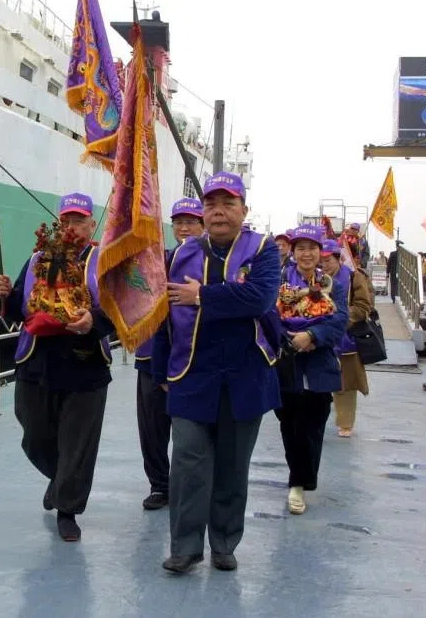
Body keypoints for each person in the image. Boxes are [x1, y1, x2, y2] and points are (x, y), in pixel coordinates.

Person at [152, 171, 281, 573]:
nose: (218, 212)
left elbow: (259, 298)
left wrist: (202, 296)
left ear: (244, 210)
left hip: (245, 375)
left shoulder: (264, 250)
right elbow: (163, 317)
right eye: (211, 204)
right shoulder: (179, 256)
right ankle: (185, 547)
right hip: (191, 374)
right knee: (188, 462)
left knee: (231, 465)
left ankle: (224, 541)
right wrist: (160, 371)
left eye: (228, 204)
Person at [0, 193, 114, 542]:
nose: (71, 227)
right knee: (33, 434)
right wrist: (3, 295)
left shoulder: (103, 262)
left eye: (79, 221)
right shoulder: (35, 261)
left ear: (92, 225)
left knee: (78, 443)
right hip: (37, 361)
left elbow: (121, 310)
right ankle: (61, 479)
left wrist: (94, 321)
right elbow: (17, 307)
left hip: (86, 363)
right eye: (66, 221)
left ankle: (67, 509)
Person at [133, 197, 204, 511]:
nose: (184, 227)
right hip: (151, 355)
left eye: (191, 221)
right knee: (152, 427)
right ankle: (160, 484)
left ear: (203, 226)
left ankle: (190, 485)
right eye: (179, 222)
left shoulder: (212, 263)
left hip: (192, 358)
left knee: (192, 430)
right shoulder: (157, 259)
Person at [274, 225, 348, 515]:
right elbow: (269, 316)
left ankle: (299, 482)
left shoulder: (334, 286)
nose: (307, 253)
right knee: (290, 425)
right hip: (287, 363)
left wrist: (312, 336)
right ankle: (299, 480)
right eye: (300, 248)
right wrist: (289, 339)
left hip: (319, 366)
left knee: (314, 424)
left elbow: (339, 321)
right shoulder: (279, 283)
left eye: (312, 248)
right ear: (293, 252)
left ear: (321, 253)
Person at [320, 240, 373, 437]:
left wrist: (339, 318)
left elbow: (363, 306)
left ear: (338, 258)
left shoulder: (354, 277)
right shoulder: (315, 278)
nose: (324, 264)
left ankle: (345, 423)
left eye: (328, 260)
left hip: (346, 337)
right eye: (321, 260)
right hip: (319, 336)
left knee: (346, 384)